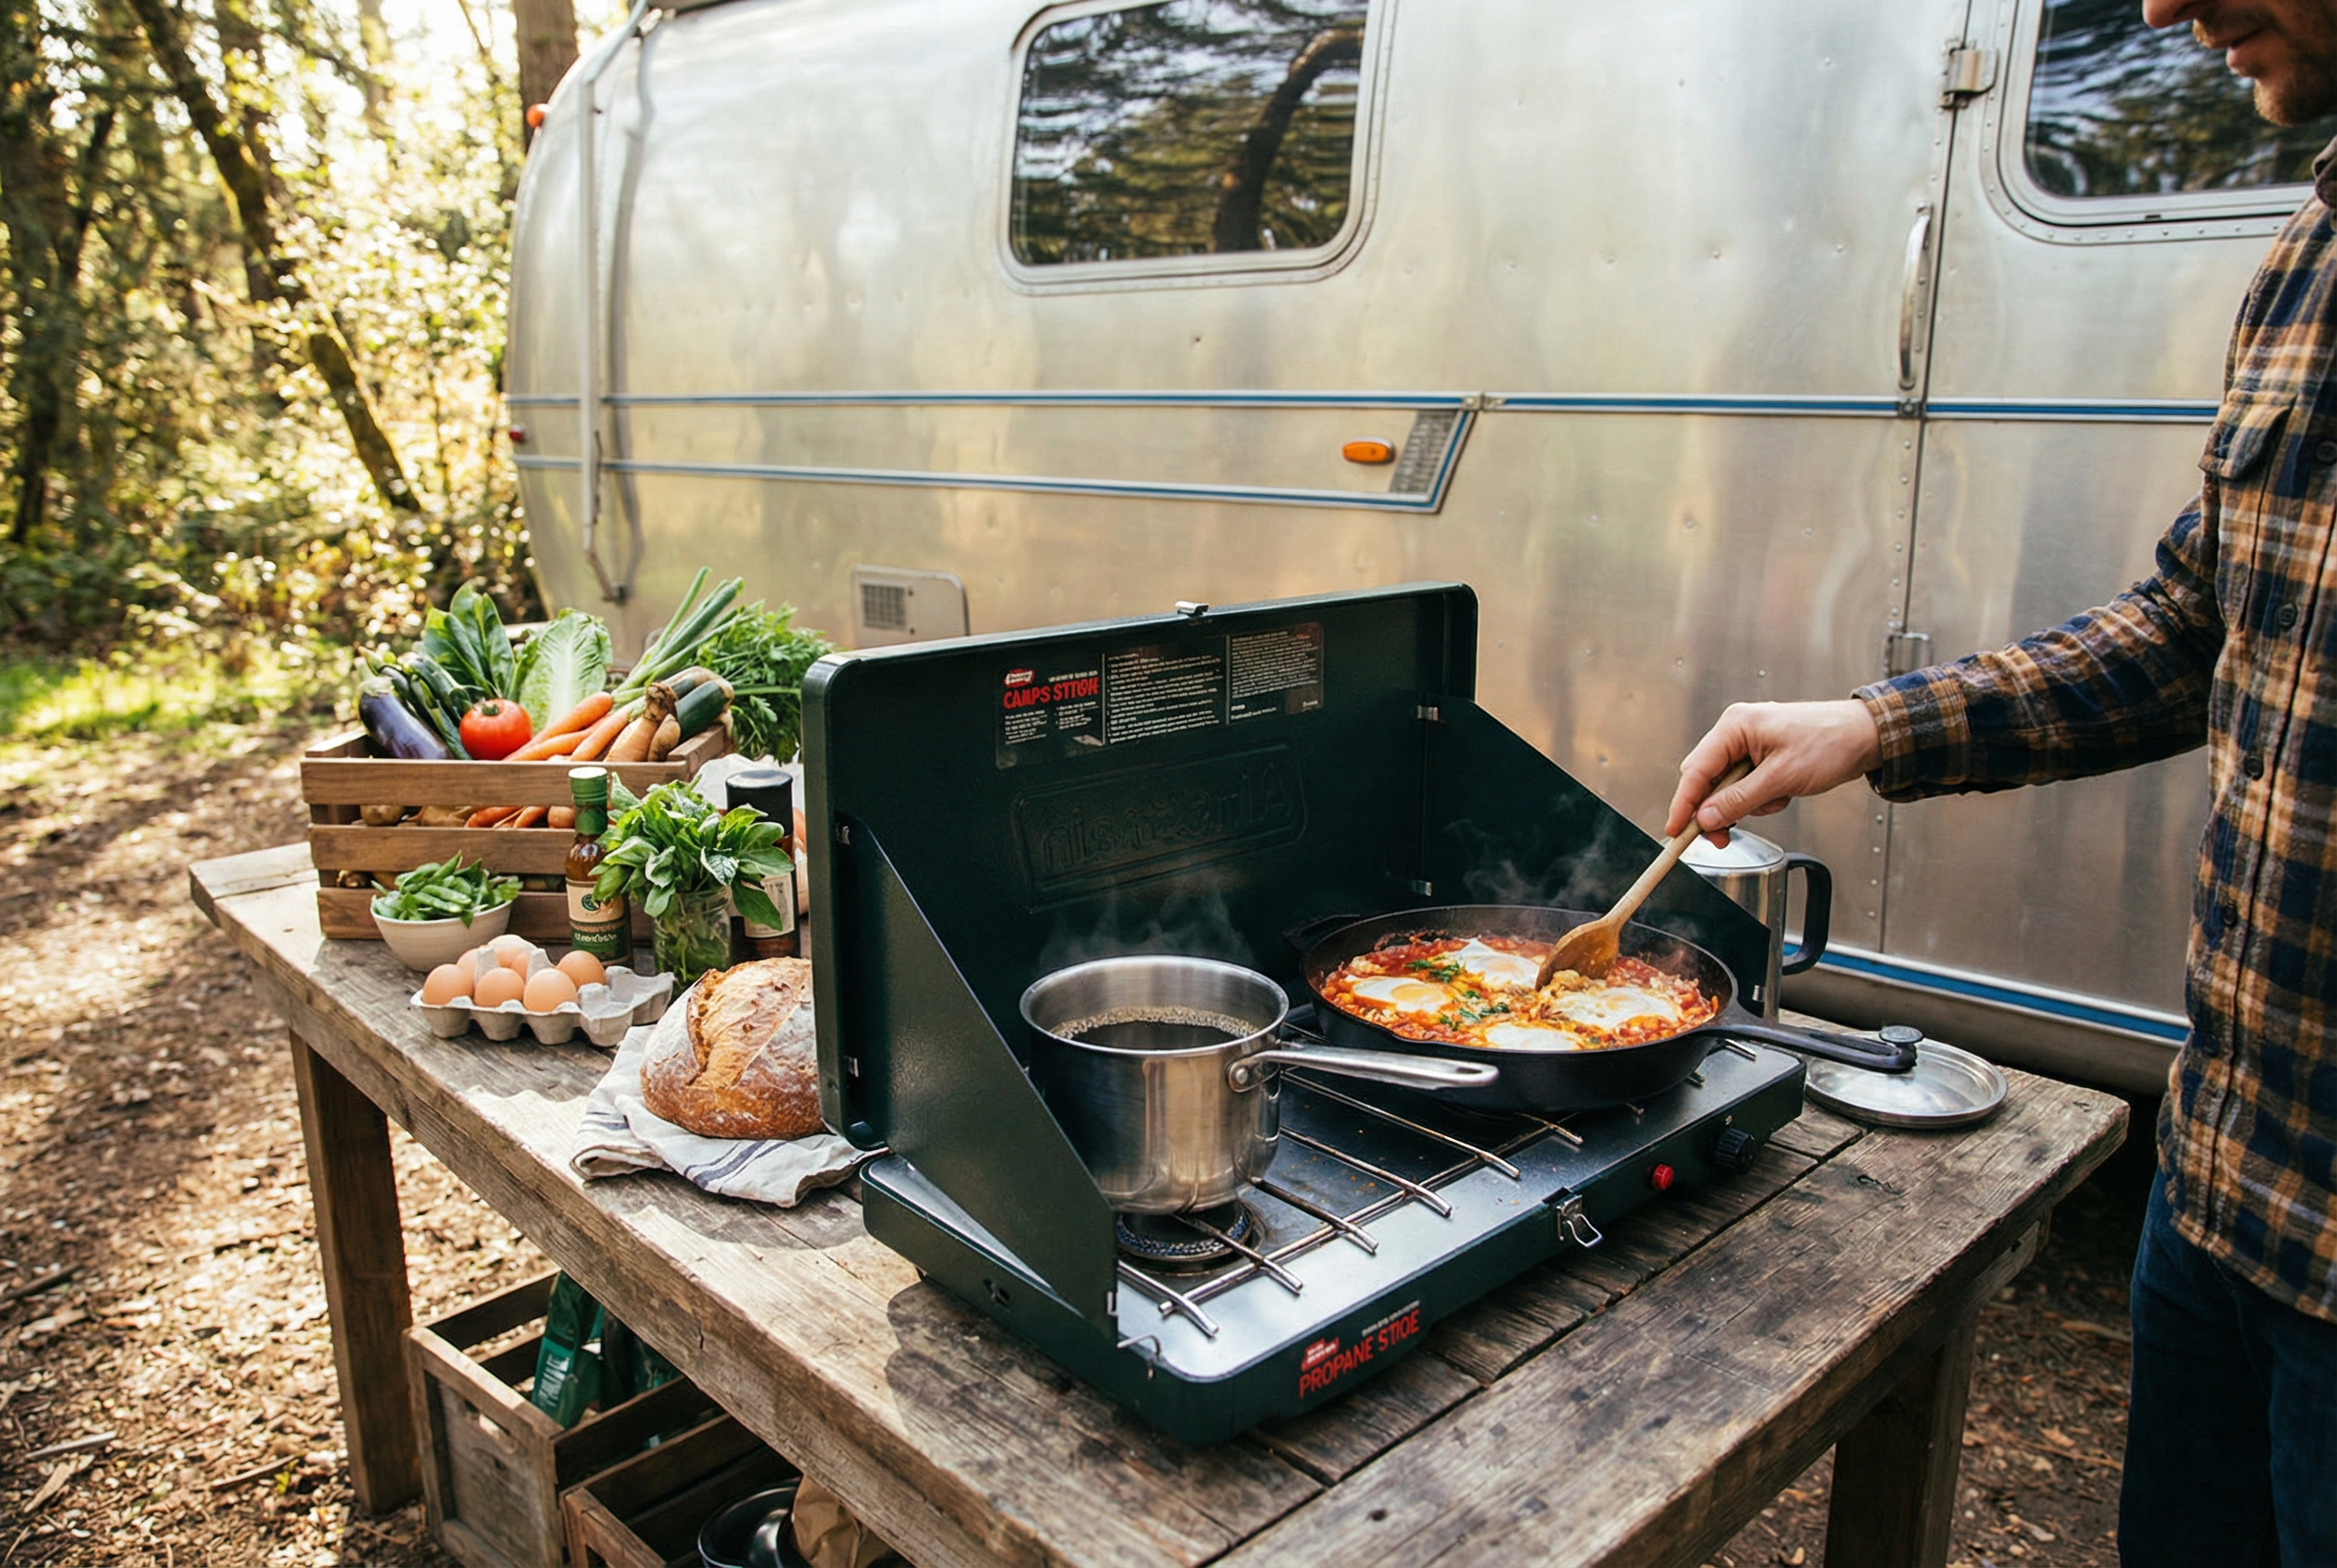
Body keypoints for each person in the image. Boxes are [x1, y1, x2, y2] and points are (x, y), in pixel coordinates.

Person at [1664, 3, 2337, 1562]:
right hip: (2230, 1171)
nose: (2161, 6)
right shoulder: (2310, 257)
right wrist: (1875, 725)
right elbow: (2193, 625)